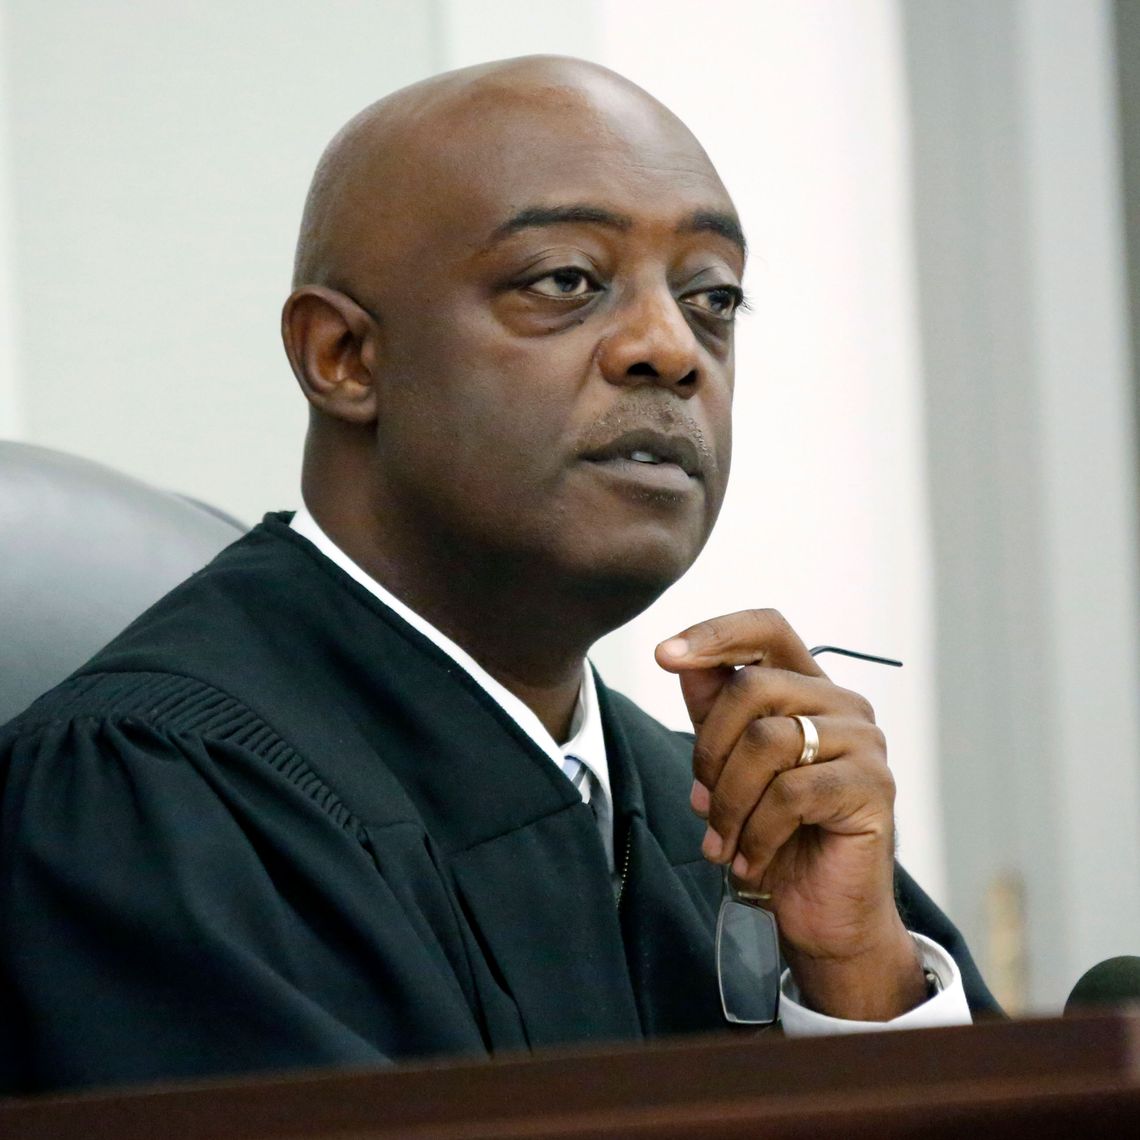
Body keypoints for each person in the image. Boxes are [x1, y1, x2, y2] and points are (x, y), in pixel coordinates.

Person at [0, 56, 996, 1095]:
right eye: (565, 281)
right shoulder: (148, 805)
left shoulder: (727, 821)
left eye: (713, 297)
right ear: (344, 355)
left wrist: (852, 980)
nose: (671, 347)